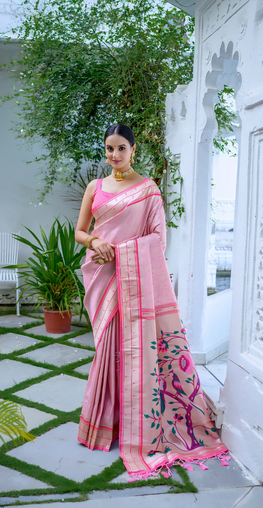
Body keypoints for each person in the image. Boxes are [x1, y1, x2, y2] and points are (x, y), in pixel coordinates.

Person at [75, 124, 229, 479]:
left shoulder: (147, 190)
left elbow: (158, 240)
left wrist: (120, 252)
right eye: (109, 148)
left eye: (121, 149)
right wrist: (93, 244)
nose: (114, 156)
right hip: (103, 277)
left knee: (134, 351)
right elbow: (80, 230)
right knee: (107, 349)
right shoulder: (94, 187)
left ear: (133, 149)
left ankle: (134, 423)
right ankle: (105, 424)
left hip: (132, 278)